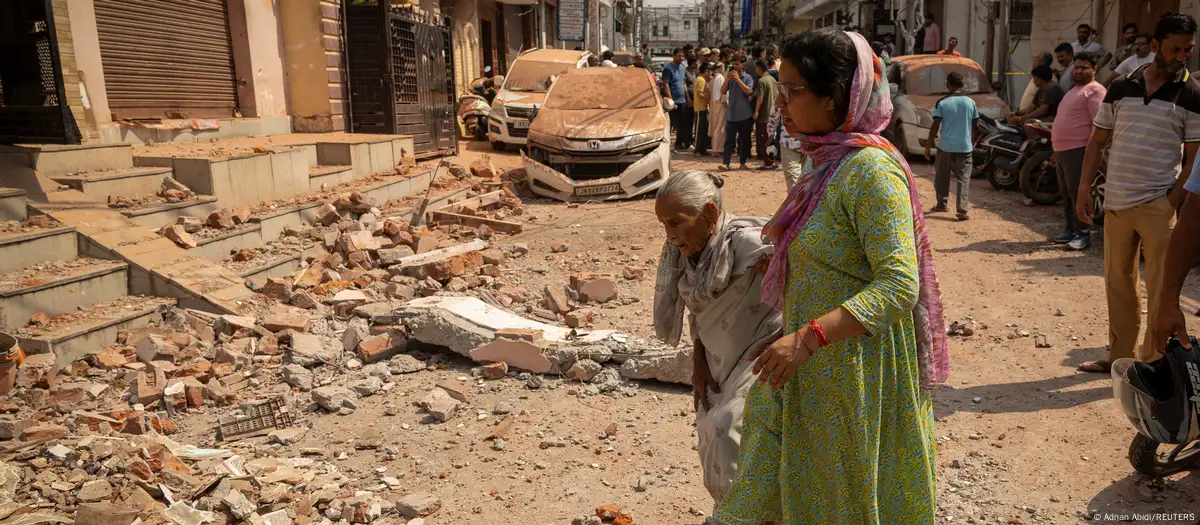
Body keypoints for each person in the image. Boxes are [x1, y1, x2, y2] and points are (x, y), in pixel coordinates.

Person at [709, 28, 946, 525]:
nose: (784, 103)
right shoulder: (827, 164)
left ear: (838, 96)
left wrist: (810, 337)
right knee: (773, 484)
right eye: (783, 86)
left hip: (853, 373)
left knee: (838, 498)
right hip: (808, 366)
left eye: (795, 91)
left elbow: (899, 285)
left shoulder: (870, 171)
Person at [1075, 12, 1200, 373]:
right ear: (1156, 46)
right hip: (1116, 202)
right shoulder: (1120, 87)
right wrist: (1085, 188)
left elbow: (1193, 160)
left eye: (1188, 49)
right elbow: (1097, 141)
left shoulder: (1191, 94)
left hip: (1159, 206)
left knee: (1162, 287)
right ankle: (1120, 357)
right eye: (1175, 49)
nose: (1182, 56)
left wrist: (1170, 202)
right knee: (1118, 284)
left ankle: (1153, 363)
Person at [653, 170, 782, 509]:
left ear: (709, 214)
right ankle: (733, 512)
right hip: (716, 360)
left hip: (759, 353)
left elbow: (798, 263)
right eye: (664, 225)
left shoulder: (745, 243)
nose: (670, 235)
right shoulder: (688, 257)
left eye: (677, 223)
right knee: (710, 432)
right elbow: (699, 312)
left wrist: (779, 263)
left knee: (729, 428)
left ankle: (742, 514)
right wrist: (698, 360)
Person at [1051, 52, 1106, 251]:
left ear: (1095, 69)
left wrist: (1091, 152)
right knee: (1066, 194)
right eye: (1077, 67)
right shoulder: (1073, 90)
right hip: (1062, 150)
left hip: (1080, 150)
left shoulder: (1095, 91)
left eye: (1084, 68)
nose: (1079, 71)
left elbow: (1099, 125)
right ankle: (1070, 230)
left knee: (1079, 193)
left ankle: (1084, 233)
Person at [925, 72, 979, 220]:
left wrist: (928, 145)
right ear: (962, 85)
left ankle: (942, 204)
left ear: (948, 86)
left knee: (942, 176)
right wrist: (972, 141)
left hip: (945, 146)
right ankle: (962, 208)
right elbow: (976, 125)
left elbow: (935, 125)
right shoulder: (970, 102)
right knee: (963, 178)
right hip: (965, 147)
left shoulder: (942, 103)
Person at [719, 55, 755, 170]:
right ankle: (726, 163)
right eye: (733, 64)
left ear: (742, 65)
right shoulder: (730, 78)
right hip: (732, 114)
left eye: (737, 64)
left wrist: (738, 79)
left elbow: (749, 91)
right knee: (729, 141)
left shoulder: (748, 78)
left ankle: (742, 162)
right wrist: (727, 80)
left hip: (745, 115)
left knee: (744, 140)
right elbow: (722, 91)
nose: (735, 66)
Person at [661, 48, 689, 153]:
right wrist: (671, 100)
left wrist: (688, 98)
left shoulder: (682, 67)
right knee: (671, 124)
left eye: (682, 56)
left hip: (682, 100)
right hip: (672, 101)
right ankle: (666, 145)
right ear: (674, 56)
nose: (681, 58)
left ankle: (678, 145)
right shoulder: (668, 68)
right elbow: (665, 84)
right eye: (679, 56)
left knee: (682, 124)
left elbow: (684, 83)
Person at [752, 59, 778, 169]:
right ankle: (772, 161)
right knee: (771, 140)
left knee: (764, 140)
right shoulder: (772, 79)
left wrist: (756, 112)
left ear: (758, 69)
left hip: (764, 116)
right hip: (773, 115)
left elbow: (760, 98)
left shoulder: (762, 81)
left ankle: (768, 162)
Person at [709, 62, 727, 157]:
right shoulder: (720, 78)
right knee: (719, 127)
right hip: (720, 103)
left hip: (715, 103)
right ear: (720, 68)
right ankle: (717, 149)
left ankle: (717, 148)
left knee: (717, 126)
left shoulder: (714, 78)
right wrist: (726, 104)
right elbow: (722, 93)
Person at [695, 63, 713, 156]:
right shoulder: (701, 80)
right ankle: (697, 150)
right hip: (699, 108)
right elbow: (700, 94)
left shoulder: (701, 79)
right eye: (710, 71)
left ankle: (702, 149)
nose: (710, 73)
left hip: (703, 108)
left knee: (703, 130)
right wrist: (709, 98)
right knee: (699, 130)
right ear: (706, 71)